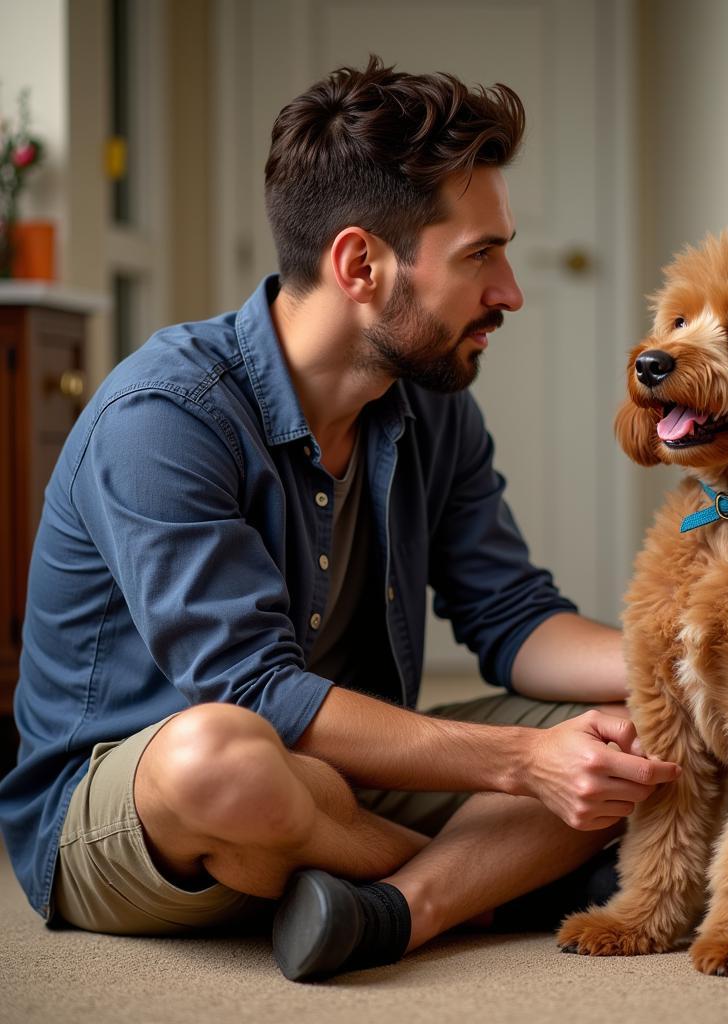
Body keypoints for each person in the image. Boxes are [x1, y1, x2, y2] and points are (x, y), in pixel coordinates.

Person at [0, 57, 682, 982]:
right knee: (228, 756)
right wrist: (525, 764)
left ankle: (394, 911)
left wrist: (690, 658)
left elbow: (514, 618)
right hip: (135, 802)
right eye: (482, 253)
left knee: (632, 727)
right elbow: (253, 694)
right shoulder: (162, 417)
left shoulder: (433, 405)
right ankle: (483, 881)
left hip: (339, 776)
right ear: (361, 263)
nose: (511, 291)